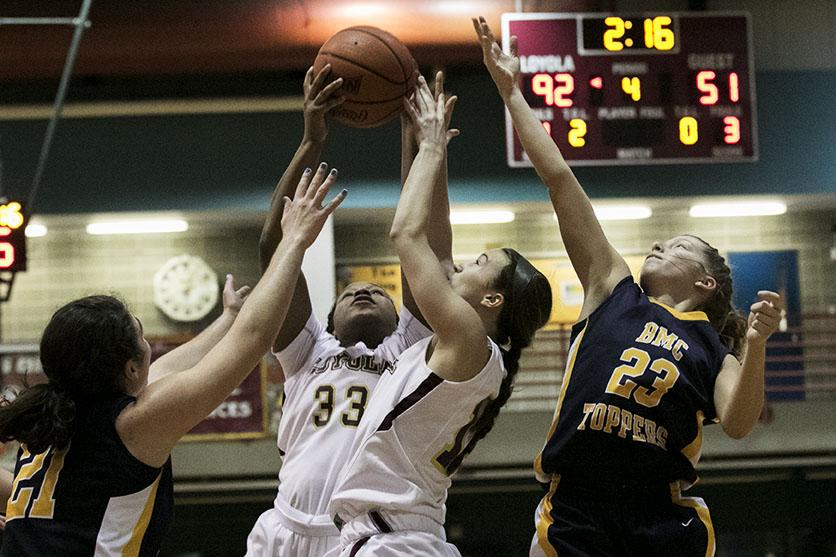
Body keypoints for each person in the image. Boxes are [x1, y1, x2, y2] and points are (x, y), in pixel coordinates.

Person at [473, 16, 783, 556]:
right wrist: (512, 94)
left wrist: (756, 344)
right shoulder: (613, 288)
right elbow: (560, 180)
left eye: (680, 245)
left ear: (705, 281)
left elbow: (737, 423)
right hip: (575, 508)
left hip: (660, 516)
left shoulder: (713, 348)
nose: (662, 244)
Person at [0, 167, 345, 556]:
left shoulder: (57, 418)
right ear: (130, 368)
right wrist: (295, 241)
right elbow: (254, 339)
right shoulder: (132, 425)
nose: (151, 348)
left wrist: (227, 318)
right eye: (143, 337)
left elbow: (174, 366)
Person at [325, 72, 552, 557]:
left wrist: (429, 149)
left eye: (480, 264)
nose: (465, 264)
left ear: (492, 301)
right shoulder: (467, 344)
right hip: (392, 536)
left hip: (391, 540)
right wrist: (424, 144)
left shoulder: (469, 341)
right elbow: (434, 238)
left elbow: (406, 236)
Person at [246, 64, 454, 557]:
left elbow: (423, 242)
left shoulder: (411, 350)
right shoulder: (305, 352)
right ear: (330, 320)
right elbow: (273, 245)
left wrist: (418, 142)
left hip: (375, 536)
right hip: (287, 530)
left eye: (377, 292)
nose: (363, 293)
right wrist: (311, 140)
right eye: (348, 293)